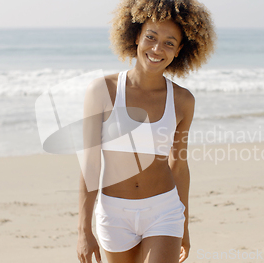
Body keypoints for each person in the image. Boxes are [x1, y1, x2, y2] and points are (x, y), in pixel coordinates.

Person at [76, 0, 215, 262]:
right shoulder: (102, 91)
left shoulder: (183, 101)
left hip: (164, 210)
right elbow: (90, 165)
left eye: (169, 42)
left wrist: (184, 224)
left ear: (179, 50)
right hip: (114, 212)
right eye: (150, 37)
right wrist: (84, 230)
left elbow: (179, 166)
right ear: (136, 35)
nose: (156, 48)